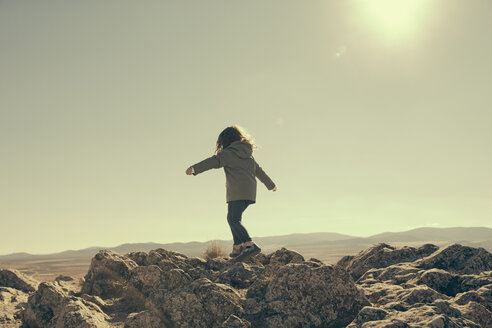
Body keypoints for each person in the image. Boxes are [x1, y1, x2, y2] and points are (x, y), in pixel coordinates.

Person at [185, 125, 277, 258]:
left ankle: (249, 244)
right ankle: (238, 246)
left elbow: (213, 161)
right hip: (249, 193)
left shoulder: (228, 153)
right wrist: (271, 185)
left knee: (233, 219)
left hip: (236, 192)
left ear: (225, 140)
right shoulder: (249, 155)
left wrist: (194, 169)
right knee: (233, 218)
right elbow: (259, 171)